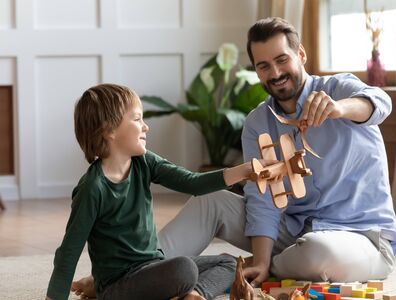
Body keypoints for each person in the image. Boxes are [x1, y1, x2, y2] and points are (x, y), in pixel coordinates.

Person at [72, 16, 396, 294]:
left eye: (282, 59)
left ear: (301, 54)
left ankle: (263, 269)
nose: (275, 73)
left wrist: (339, 109)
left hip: (361, 239)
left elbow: (380, 103)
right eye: (263, 65)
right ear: (256, 70)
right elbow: (262, 197)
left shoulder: (338, 89)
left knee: (319, 252)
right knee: (211, 200)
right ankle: (138, 273)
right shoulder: (258, 122)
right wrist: (260, 256)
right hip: (294, 232)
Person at [45, 83, 257, 300]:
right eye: (137, 119)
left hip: (153, 266)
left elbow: (192, 183)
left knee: (230, 263)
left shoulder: (144, 162)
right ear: (109, 130)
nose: (146, 127)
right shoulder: (92, 188)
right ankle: (104, 287)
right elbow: (68, 252)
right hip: (117, 284)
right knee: (184, 269)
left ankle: (193, 294)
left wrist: (243, 171)